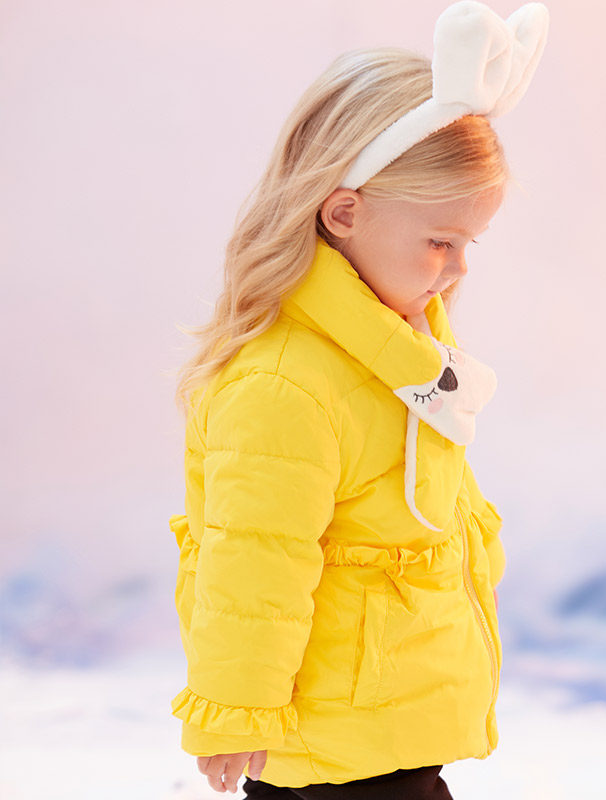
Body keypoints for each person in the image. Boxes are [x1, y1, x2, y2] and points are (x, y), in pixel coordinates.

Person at [168, 2, 549, 797]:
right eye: (440, 241)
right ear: (345, 213)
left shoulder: (401, 357)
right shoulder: (283, 386)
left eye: (468, 243)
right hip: (330, 745)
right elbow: (253, 565)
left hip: (389, 725)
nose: (459, 268)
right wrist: (236, 711)